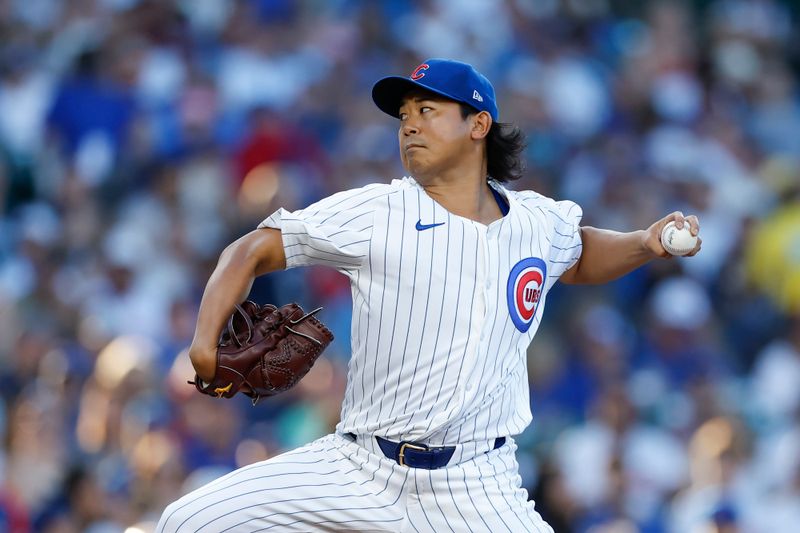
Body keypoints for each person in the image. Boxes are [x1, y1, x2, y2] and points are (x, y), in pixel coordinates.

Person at [157, 58, 701, 532]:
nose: (409, 125)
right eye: (405, 115)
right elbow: (252, 249)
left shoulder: (537, 220)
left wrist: (645, 243)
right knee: (188, 522)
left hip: (476, 484)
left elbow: (579, 253)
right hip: (359, 468)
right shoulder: (377, 212)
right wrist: (205, 340)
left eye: (427, 111)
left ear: (478, 124)